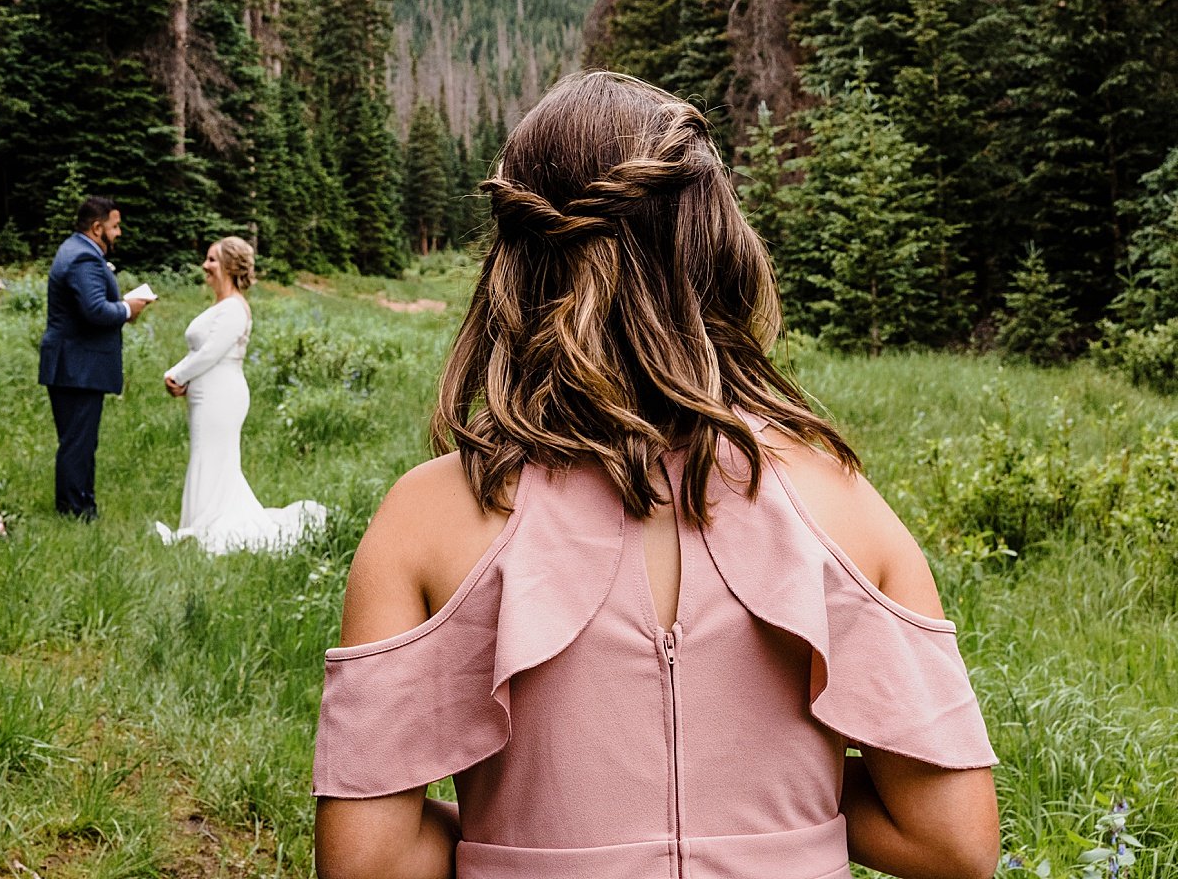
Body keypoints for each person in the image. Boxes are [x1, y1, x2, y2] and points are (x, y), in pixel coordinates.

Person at [313, 73, 999, 879]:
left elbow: (367, 862)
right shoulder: (839, 500)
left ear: (515, 264)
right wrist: (780, 796)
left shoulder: (427, 517)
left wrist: (528, 826)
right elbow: (953, 841)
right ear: (718, 249)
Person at [154, 236, 326, 553]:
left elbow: (210, 353)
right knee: (206, 457)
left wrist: (176, 375)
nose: (205, 266)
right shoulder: (221, 306)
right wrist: (181, 378)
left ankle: (207, 527)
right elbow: (202, 352)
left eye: (212, 260)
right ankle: (197, 522)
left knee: (214, 457)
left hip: (222, 397)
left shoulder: (234, 308)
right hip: (205, 394)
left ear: (230, 266)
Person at [39, 196, 151, 520]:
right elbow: (95, 310)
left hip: (74, 363)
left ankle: (82, 506)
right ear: (97, 227)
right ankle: (76, 512)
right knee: (78, 442)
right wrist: (129, 308)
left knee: (80, 440)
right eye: (115, 226)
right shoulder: (84, 258)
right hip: (77, 365)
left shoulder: (77, 251)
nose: (118, 233)